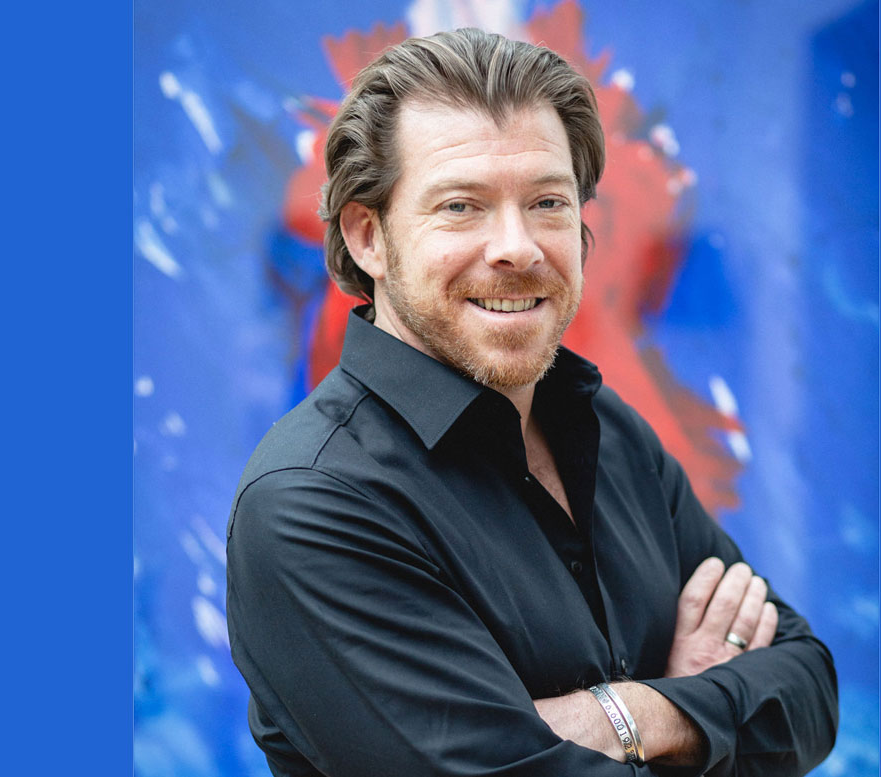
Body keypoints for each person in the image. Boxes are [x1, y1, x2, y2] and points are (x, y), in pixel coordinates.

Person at [225, 27, 838, 777]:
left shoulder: (610, 431)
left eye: (547, 201)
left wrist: (636, 713)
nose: (517, 246)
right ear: (368, 237)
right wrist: (707, 717)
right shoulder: (313, 503)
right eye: (461, 206)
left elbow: (809, 691)